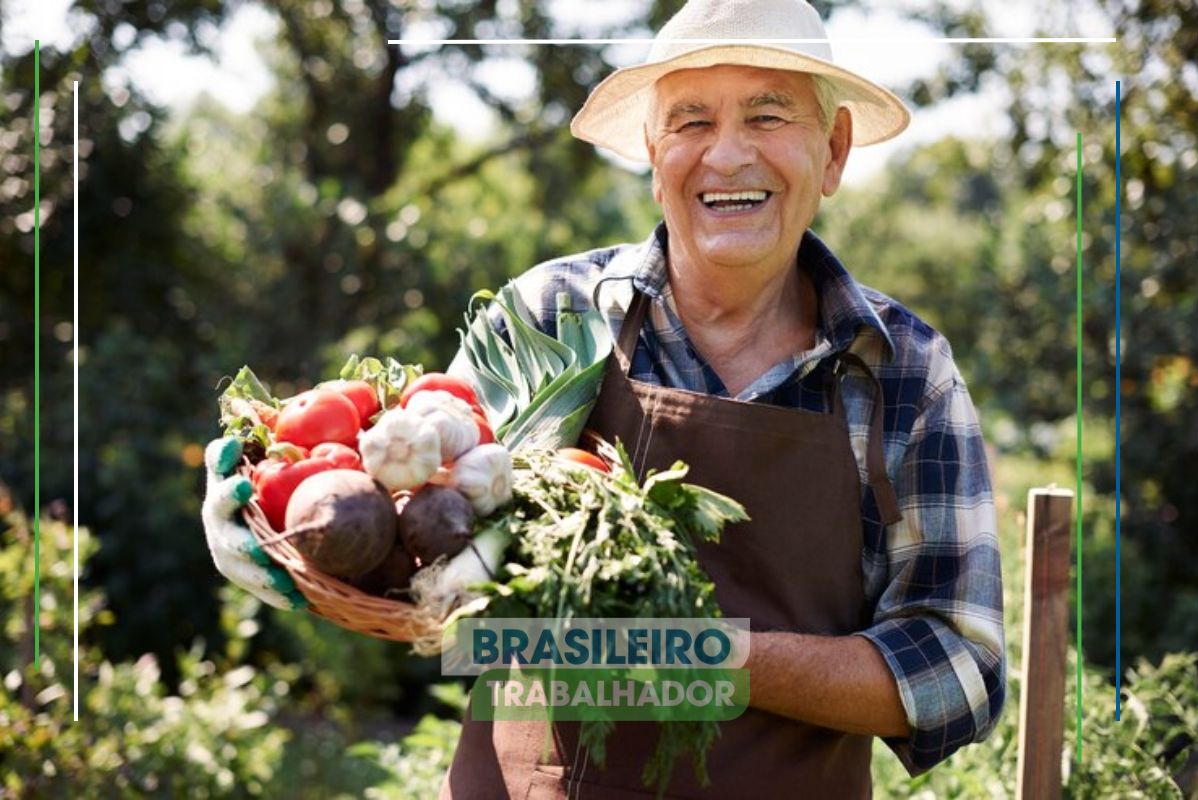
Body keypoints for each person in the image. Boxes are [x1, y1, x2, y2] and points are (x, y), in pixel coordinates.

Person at [202, 0, 1006, 796]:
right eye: (690, 122)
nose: (726, 156)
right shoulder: (546, 317)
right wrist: (292, 522)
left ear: (832, 152)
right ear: (654, 154)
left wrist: (701, 656)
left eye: (768, 116)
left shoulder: (903, 371)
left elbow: (960, 669)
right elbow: (427, 552)